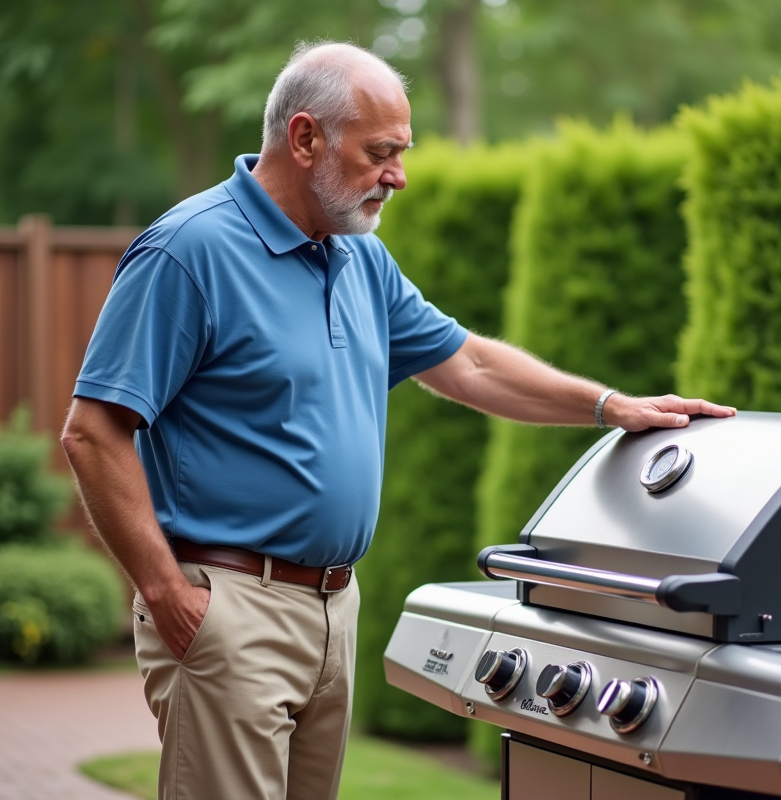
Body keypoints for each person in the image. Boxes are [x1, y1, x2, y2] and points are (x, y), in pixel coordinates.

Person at [61, 40, 735, 800]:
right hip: (229, 607)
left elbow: (469, 364)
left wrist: (610, 406)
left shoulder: (358, 259)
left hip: (333, 607)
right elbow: (94, 431)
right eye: (381, 152)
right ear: (305, 136)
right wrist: (165, 592)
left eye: (403, 152)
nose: (399, 176)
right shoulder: (190, 251)